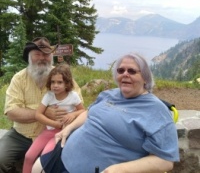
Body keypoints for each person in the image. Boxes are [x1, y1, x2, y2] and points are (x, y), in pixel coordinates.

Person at [32, 52, 180, 173]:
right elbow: (89, 112)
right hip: (63, 155)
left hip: (97, 169)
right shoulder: (110, 94)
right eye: (121, 70)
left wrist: (122, 169)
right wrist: (68, 129)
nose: (125, 74)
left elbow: (166, 161)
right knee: (35, 168)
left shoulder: (156, 111)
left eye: (132, 71)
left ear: (145, 78)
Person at [0, 37, 83, 173]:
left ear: (51, 57)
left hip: (57, 134)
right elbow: (11, 111)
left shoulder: (64, 78)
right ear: (29, 57)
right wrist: (44, 113)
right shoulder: (19, 79)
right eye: (37, 54)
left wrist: (68, 122)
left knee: (54, 164)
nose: (42, 58)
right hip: (21, 135)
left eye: (46, 54)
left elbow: (80, 108)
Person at [22, 64, 85, 173]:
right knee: (29, 156)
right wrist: (54, 124)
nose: (55, 85)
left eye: (59, 82)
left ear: (67, 84)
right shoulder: (49, 96)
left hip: (63, 133)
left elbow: (83, 111)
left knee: (46, 159)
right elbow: (38, 114)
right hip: (49, 131)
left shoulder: (73, 96)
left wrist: (73, 115)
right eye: (52, 82)